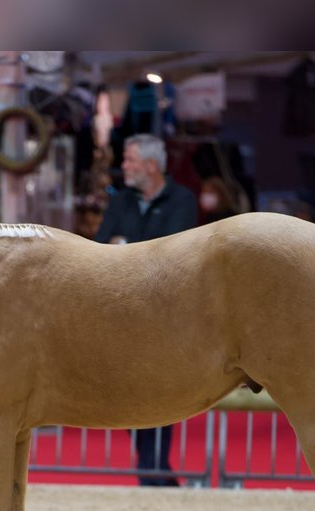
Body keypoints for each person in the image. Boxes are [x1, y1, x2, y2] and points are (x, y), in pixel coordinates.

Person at [94, 132, 199, 486]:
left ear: (152, 166)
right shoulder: (120, 200)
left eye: (130, 160)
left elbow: (172, 253)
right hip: (121, 315)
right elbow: (98, 247)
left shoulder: (182, 200)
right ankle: (151, 468)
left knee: (161, 393)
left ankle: (155, 468)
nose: (123, 166)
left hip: (165, 316)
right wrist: (131, 250)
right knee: (129, 393)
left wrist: (124, 247)